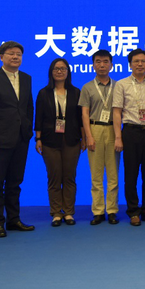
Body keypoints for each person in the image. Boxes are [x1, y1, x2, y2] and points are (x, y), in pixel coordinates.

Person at [0, 41, 35, 238]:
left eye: (18, 54)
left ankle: (14, 219)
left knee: (15, 182)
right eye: (11, 53)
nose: (15, 57)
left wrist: (28, 130)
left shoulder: (26, 78)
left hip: (21, 138)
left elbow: (28, 107)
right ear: (1, 57)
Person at [112, 48, 145, 226]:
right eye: (136, 61)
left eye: (143, 61)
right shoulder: (121, 84)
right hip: (131, 132)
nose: (140, 64)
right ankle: (133, 211)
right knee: (131, 174)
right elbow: (117, 112)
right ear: (130, 64)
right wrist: (118, 137)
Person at [35, 58, 84, 227]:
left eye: (63, 69)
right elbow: (39, 118)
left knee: (69, 176)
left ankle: (68, 212)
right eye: (56, 68)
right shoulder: (44, 93)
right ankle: (56, 212)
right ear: (51, 72)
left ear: (68, 72)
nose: (59, 71)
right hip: (49, 140)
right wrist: (38, 139)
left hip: (72, 139)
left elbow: (80, 118)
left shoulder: (76, 92)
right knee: (54, 176)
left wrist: (84, 138)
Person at [80, 49, 120, 225]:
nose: (102, 65)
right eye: (98, 61)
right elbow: (84, 114)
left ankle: (112, 210)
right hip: (94, 128)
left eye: (105, 61)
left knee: (113, 173)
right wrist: (88, 136)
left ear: (111, 65)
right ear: (93, 65)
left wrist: (119, 136)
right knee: (96, 174)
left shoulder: (118, 86)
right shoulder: (87, 87)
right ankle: (97, 211)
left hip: (113, 129)